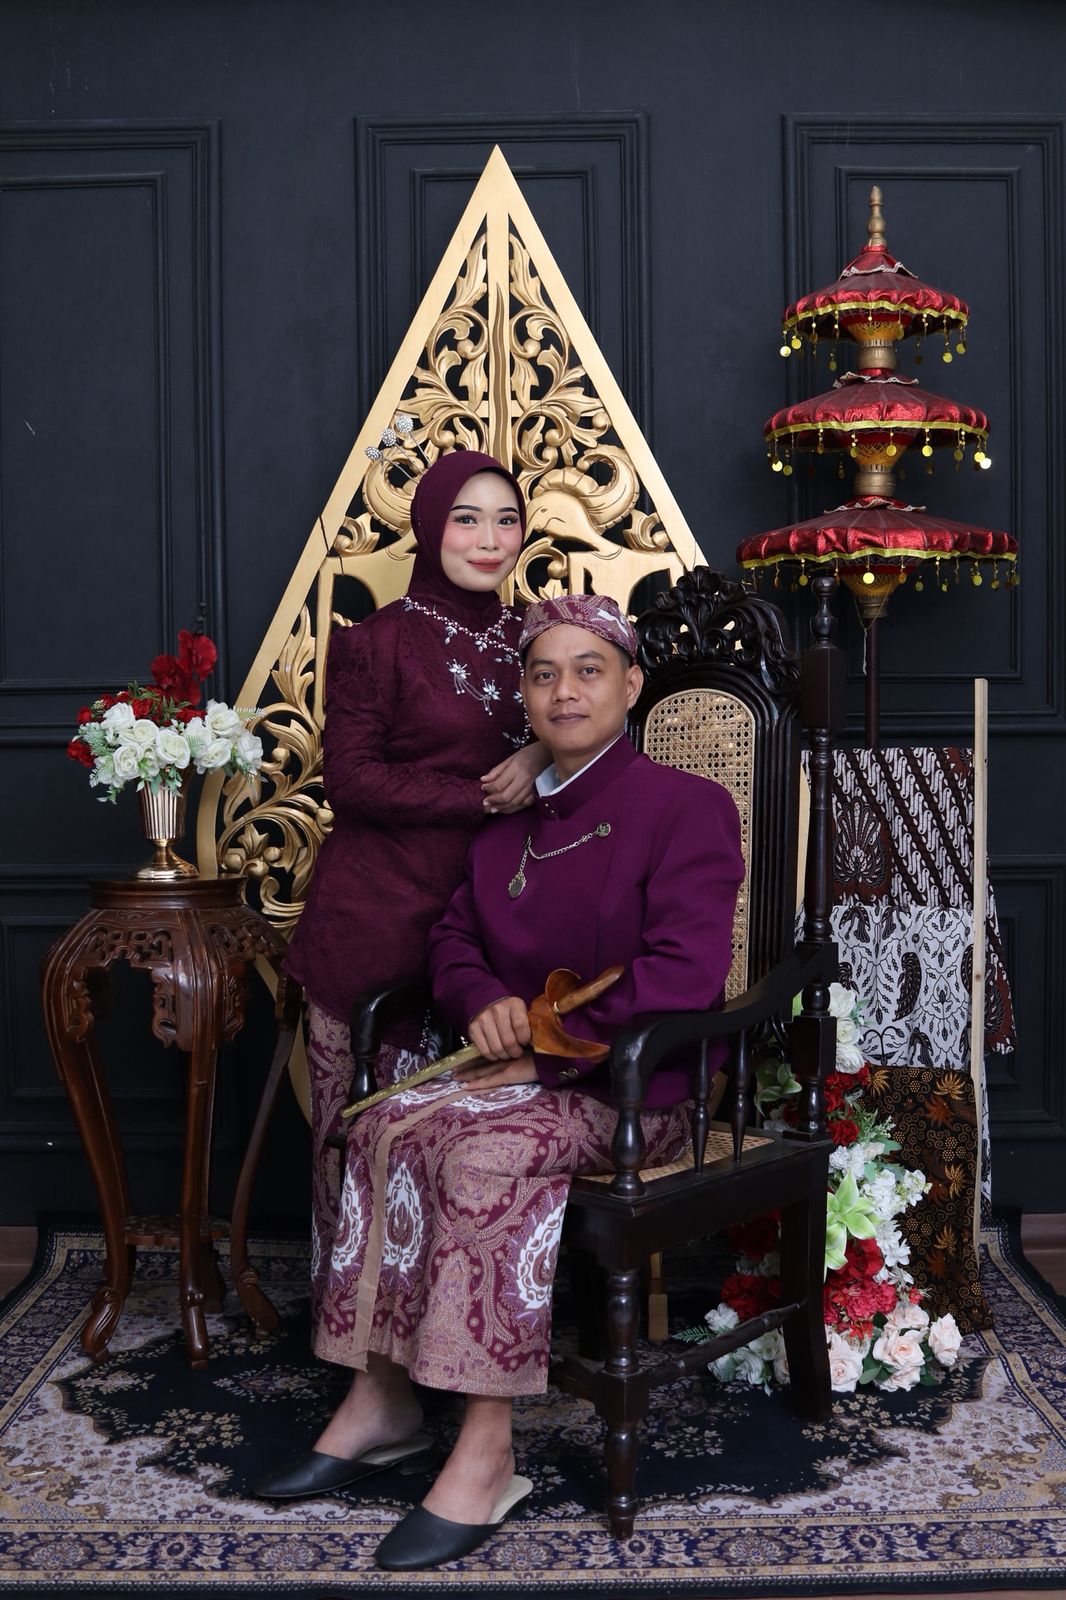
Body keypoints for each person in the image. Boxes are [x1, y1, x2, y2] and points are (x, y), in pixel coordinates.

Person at [257, 594, 744, 1572]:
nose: (565, 691)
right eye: (543, 674)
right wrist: (482, 1001)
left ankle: (486, 1448)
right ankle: (383, 1398)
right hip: (523, 1077)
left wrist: (547, 1048)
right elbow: (453, 941)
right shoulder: (510, 825)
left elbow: (685, 974)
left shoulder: (686, 806)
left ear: (631, 685)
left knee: (479, 1153)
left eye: (589, 670)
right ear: (523, 695)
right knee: (378, 1121)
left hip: (638, 1094)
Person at [283, 451, 547, 1329]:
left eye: (505, 519)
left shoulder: (538, 639)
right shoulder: (378, 641)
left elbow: (598, 720)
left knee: (464, 1143)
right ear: (430, 527)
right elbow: (351, 780)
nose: (488, 538)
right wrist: (482, 796)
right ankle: (355, 1338)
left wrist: (538, 753)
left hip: (494, 926)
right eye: (466, 518)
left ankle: (454, 1335)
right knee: (362, 1139)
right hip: (376, 917)